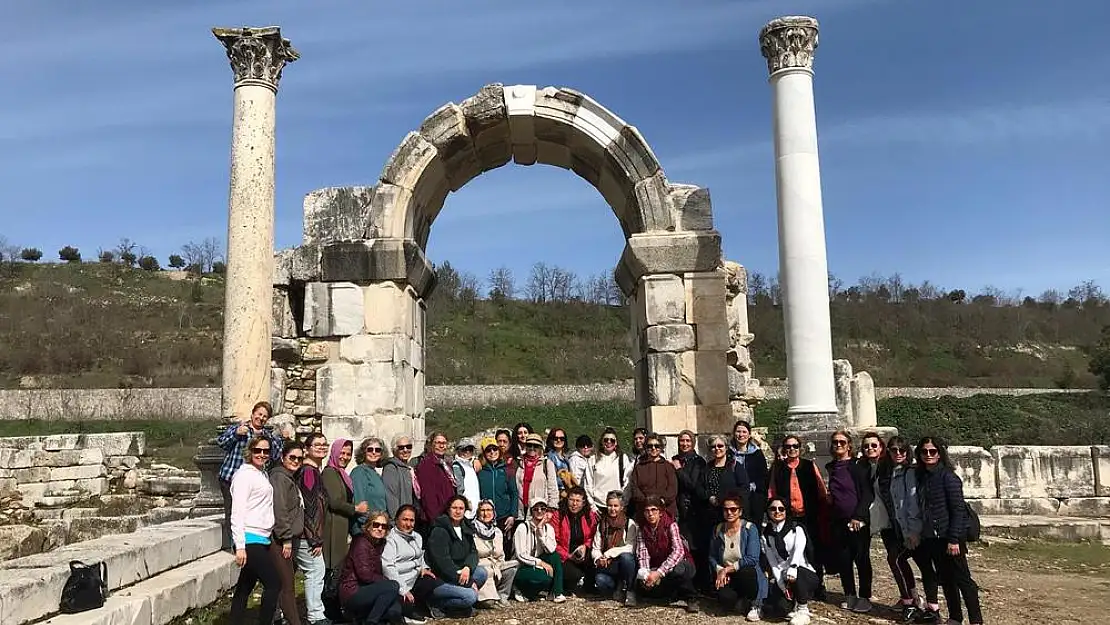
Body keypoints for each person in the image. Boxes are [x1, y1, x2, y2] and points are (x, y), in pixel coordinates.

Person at [916, 437, 984, 625]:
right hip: (933, 537)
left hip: (950, 537)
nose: (928, 455)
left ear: (940, 453)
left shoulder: (949, 477)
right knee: (946, 580)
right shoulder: (923, 477)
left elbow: (958, 510)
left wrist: (954, 539)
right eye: (925, 452)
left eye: (933, 451)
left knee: (964, 580)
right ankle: (955, 617)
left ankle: (976, 620)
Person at [880, 435, 940, 623]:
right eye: (894, 450)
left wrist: (912, 532)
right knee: (921, 565)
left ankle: (916, 605)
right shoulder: (894, 471)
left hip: (916, 530)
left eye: (902, 450)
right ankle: (925, 606)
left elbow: (912, 503)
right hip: (903, 528)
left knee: (898, 559)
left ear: (908, 452)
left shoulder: (909, 472)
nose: (898, 453)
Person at [217, 401, 289, 548]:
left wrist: (283, 439)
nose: (261, 418)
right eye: (259, 414)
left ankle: (248, 541)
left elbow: (276, 454)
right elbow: (222, 442)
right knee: (234, 512)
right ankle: (235, 545)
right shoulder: (240, 428)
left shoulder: (266, 436)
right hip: (231, 476)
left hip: (254, 480)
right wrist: (236, 434)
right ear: (253, 414)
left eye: (265, 416)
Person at [229, 435, 282, 625]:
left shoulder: (261, 473)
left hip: (263, 537)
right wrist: (240, 545)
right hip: (251, 538)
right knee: (274, 584)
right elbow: (237, 512)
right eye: (257, 450)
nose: (262, 454)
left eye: (266, 451)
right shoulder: (244, 475)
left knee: (244, 588)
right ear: (250, 452)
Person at [768, 434, 829, 597]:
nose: (792, 449)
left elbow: (821, 490)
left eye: (795, 446)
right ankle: (791, 584)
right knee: (789, 549)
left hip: (809, 515)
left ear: (800, 448)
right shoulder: (778, 468)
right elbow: (772, 491)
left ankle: (818, 584)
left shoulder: (809, 466)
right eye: (788, 447)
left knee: (813, 550)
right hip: (787, 517)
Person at [825, 430, 875, 613]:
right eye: (835, 442)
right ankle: (850, 593)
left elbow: (866, 493)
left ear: (849, 445)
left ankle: (864, 596)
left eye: (842, 442)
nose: (838, 445)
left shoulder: (858, 465)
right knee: (844, 559)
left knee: (862, 559)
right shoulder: (831, 467)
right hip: (838, 520)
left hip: (857, 520)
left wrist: (859, 516)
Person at [632, 496, 698, 612]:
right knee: (644, 587)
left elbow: (678, 551)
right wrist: (646, 574)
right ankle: (672, 594)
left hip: (681, 563)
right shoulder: (642, 529)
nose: (650, 514)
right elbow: (643, 553)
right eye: (647, 511)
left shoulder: (671, 525)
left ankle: (691, 598)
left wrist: (659, 572)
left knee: (678, 570)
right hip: (658, 566)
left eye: (654, 510)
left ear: (660, 512)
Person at [708, 491, 766, 622]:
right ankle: (739, 602)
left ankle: (754, 604)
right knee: (724, 598)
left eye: (733, 509)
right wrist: (719, 570)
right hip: (728, 576)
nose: (729, 513)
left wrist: (726, 569)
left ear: (740, 511)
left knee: (747, 571)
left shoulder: (750, 529)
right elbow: (711, 556)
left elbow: (752, 558)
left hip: (745, 573)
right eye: (726, 509)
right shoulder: (718, 529)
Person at [762, 497, 820, 625]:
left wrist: (793, 567)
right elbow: (773, 563)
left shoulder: (796, 528)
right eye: (773, 509)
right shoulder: (766, 535)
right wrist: (782, 586)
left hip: (804, 574)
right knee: (778, 609)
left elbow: (799, 550)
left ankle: (803, 609)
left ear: (786, 510)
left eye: (781, 509)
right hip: (784, 577)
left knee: (796, 574)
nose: (777, 512)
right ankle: (792, 604)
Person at [426, 495, 486, 616]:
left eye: (461, 508)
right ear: (448, 509)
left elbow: (473, 552)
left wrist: (467, 567)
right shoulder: (439, 530)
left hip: (460, 572)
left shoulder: (466, 526)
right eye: (454, 508)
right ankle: (438, 603)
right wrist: (468, 583)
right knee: (470, 597)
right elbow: (443, 564)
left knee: (481, 573)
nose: (458, 511)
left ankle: (458, 602)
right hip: (441, 579)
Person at [381, 504, 442, 624]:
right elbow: (388, 567)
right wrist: (403, 590)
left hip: (414, 581)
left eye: (411, 520)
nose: (408, 524)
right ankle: (408, 609)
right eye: (405, 519)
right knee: (399, 610)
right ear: (396, 520)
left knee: (431, 580)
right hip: (398, 585)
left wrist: (423, 568)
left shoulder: (417, 537)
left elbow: (420, 556)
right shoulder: (390, 539)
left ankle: (417, 605)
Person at [340, 511, 403, 625]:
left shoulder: (381, 543)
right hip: (353, 591)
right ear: (368, 526)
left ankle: (366, 618)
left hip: (371, 589)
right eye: (376, 524)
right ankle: (371, 621)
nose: (379, 528)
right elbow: (365, 575)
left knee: (395, 609)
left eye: (383, 526)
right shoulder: (361, 543)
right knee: (393, 586)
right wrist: (387, 582)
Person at [270, 441, 306, 625]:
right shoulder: (279, 478)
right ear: (283, 457)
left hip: (289, 537)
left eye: (300, 458)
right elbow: (280, 509)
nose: (296, 461)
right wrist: (286, 538)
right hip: (280, 540)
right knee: (287, 585)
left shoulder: (289, 477)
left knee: (279, 583)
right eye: (292, 457)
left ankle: (274, 617)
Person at [297, 432, 331, 625]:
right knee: (316, 572)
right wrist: (315, 538)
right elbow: (310, 506)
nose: (321, 447)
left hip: (306, 533)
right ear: (307, 449)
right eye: (317, 444)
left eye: (324, 444)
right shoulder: (309, 472)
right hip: (307, 535)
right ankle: (316, 616)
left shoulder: (313, 471)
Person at [671, 430, 706, 588]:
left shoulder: (698, 462)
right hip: (678, 509)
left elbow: (692, 484)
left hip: (692, 510)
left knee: (694, 547)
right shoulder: (675, 460)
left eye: (687, 441)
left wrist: (678, 470)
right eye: (681, 441)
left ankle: (698, 583)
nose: (684, 444)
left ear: (693, 443)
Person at [513, 497, 565, 602]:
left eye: (543, 508)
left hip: (538, 561)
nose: (539, 511)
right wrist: (540, 563)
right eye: (536, 509)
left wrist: (540, 530)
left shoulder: (548, 528)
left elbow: (551, 549)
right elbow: (520, 555)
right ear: (531, 511)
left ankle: (557, 592)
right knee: (543, 577)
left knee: (555, 556)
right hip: (523, 565)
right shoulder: (523, 527)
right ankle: (520, 589)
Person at [591, 490, 638, 604]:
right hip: (609, 564)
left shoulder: (629, 523)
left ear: (621, 507)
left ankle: (630, 590)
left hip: (624, 563)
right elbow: (596, 548)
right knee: (600, 580)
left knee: (626, 557)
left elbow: (631, 547)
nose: (612, 509)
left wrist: (609, 553)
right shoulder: (602, 524)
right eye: (610, 505)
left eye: (616, 506)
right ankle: (617, 589)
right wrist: (598, 558)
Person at [553, 486, 599, 594]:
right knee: (574, 574)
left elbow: (593, 536)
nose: (574, 504)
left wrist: (585, 546)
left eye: (578, 501)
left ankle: (589, 586)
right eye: (571, 500)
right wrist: (568, 556)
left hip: (581, 552)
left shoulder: (589, 515)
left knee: (593, 558)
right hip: (564, 555)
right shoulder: (558, 515)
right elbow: (553, 542)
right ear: (566, 499)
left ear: (583, 503)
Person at [473, 499, 518, 608]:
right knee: (488, 603)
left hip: (496, 566)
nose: (486, 513)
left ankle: (502, 595)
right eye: (482, 510)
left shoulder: (497, 532)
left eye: (489, 510)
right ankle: (486, 597)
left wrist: (499, 566)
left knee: (513, 566)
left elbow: (501, 555)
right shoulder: (472, 531)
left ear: (493, 513)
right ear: (478, 513)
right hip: (482, 569)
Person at [629, 433, 678, 518]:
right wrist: (646, 502)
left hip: (665, 511)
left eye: (656, 446)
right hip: (644, 511)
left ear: (661, 447)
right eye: (650, 446)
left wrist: (662, 501)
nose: (653, 448)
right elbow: (634, 488)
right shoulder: (639, 467)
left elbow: (672, 488)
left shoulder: (668, 466)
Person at [729, 420, 769, 523]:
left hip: (753, 498)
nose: (741, 434)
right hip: (732, 498)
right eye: (738, 431)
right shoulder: (728, 454)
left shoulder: (757, 454)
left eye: (744, 432)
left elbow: (764, 476)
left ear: (749, 434)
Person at [415, 432, 457, 527]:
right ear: (432, 445)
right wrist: (436, 520)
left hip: (448, 516)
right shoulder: (426, 465)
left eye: (444, 443)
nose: (441, 446)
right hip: (436, 519)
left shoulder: (445, 464)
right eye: (438, 443)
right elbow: (427, 496)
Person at [515, 433, 559, 519]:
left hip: (539, 510)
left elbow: (553, 488)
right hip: (520, 510)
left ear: (540, 448)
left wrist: (551, 509)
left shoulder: (547, 464)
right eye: (529, 445)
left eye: (535, 446)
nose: (532, 448)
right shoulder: (518, 463)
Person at [351, 437, 389, 534]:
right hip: (366, 529)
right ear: (364, 452)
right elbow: (360, 503)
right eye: (370, 449)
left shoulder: (375, 474)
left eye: (377, 450)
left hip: (378, 528)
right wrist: (367, 525)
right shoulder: (359, 472)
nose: (374, 452)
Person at [588, 428, 631, 513]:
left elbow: (627, 484)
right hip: (598, 507)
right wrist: (593, 507)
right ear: (602, 442)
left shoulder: (622, 458)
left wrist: (623, 504)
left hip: (617, 507)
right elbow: (588, 484)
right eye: (606, 440)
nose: (609, 442)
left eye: (612, 440)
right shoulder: (593, 459)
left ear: (616, 443)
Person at [382, 435, 418, 519]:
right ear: (394, 450)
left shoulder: (409, 468)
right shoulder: (391, 468)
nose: (405, 450)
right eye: (401, 447)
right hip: (401, 520)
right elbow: (391, 498)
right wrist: (399, 519)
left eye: (408, 447)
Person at [451, 438, 481, 519]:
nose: (467, 452)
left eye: (470, 449)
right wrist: (465, 504)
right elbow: (459, 489)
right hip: (466, 513)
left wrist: (475, 459)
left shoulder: (471, 464)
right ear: (458, 451)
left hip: (475, 513)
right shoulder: (457, 466)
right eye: (464, 449)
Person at [545, 428, 574, 499]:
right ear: (551, 440)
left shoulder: (566, 458)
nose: (559, 440)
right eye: (555, 438)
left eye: (562, 438)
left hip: (567, 495)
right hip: (556, 496)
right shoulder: (548, 457)